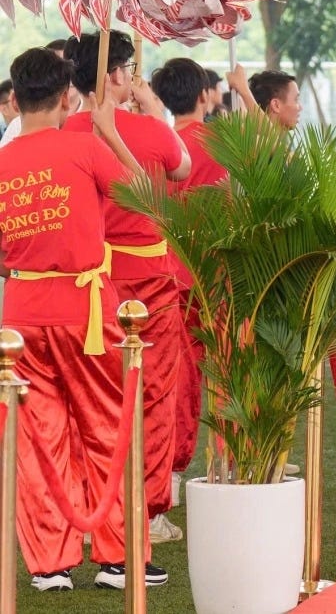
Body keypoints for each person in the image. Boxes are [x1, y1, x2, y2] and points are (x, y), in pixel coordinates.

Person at [1, 46, 167, 590]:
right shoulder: (82, 148)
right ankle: (118, 559)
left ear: (16, 97)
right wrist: (110, 131)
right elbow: (146, 197)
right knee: (106, 428)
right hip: (85, 314)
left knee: (37, 439)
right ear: (66, 95)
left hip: (21, 317)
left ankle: (50, 564)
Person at [63, 32, 192, 547]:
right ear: (116, 75)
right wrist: (149, 108)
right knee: (154, 398)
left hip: (90, 284)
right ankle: (148, 508)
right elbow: (181, 169)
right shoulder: (147, 130)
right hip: (148, 285)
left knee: (93, 400)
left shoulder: (62, 131)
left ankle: (91, 508)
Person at [149, 58, 231, 514]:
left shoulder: (160, 144)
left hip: (167, 272)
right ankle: (221, 463)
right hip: (211, 275)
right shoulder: (219, 143)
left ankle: (171, 475)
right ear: (204, 95)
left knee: (173, 376)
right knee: (213, 370)